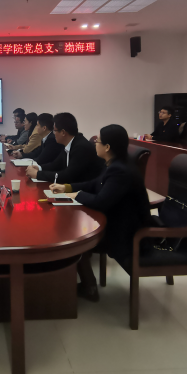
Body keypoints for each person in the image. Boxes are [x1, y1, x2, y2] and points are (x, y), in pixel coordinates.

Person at [49, 125, 151, 301]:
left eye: (98, 141)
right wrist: (67, 188)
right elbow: (95, 184)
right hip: (119, 223)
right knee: (71, 232)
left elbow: (100, 201)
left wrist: (76, 195)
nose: (95, 144)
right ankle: (85, 284)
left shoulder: (120, 171)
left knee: (73, 239)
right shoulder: (115, 164)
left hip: (127, 235)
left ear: (107, 147)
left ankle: (89, 288)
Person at [26, 113, 105, 183]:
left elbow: (67, 176)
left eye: (54, 131)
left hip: (83, 190)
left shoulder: (81, 147)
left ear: (63, 132)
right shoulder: (70, 143)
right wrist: (39, 168)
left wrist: (38, 174)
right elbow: (56, 164)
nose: (53, 134)